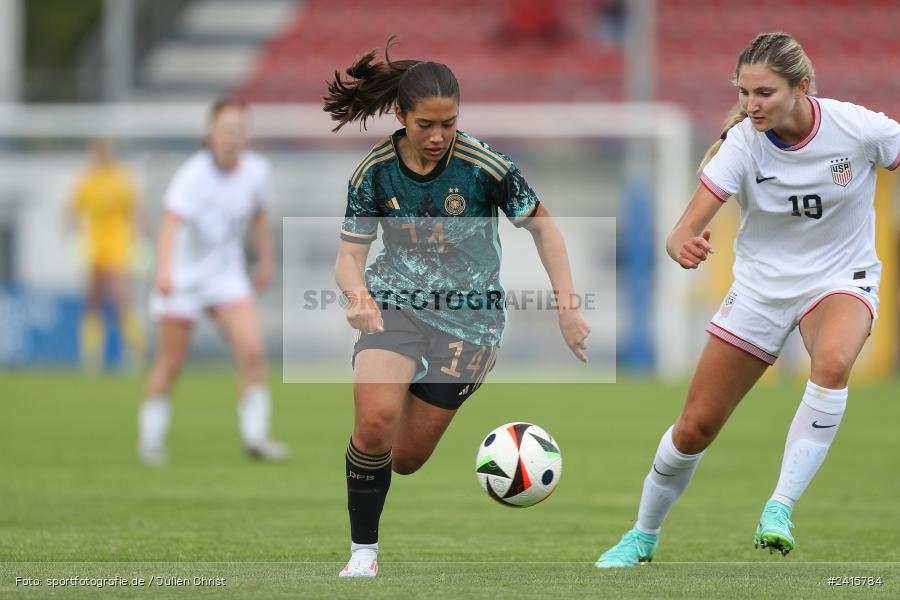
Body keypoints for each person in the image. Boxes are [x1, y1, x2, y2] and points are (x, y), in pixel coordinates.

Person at [595, 32, 900, 567]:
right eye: (744, 93)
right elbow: (680, 230)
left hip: (840, 279)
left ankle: (779, 508)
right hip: (761, 290)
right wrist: (682, 245)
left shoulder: (858, 127)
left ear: (802, 87)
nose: (752, 105)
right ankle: (642, 535)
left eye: (765, 93)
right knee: (694, 428)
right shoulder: (743, 145)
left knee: (831, 363)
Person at [324, 38, 592, 578]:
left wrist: (567, 306)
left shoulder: (484, 166)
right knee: (374, 421)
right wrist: (359, 300)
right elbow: (349, 258)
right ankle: (363, 553)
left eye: (449, 123)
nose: (439, 136)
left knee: (405, 457)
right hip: (396, 304)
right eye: (426, 124)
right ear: (401, 116)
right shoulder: (374, 172)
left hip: (472, 323)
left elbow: (544, 228)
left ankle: (378, 481)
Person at [138, 98, 288, 465]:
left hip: (226, 276)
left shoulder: (257, 170)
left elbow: (259, 216)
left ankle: (256, 438)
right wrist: (164, 271)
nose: (231, 138)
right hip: (184, 279)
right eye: (225, 130)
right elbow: (171, 222)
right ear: (210, 133)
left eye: (238, 130)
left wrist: (266, 260)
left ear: (246, 135)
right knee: (171, 362)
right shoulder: (193, 175)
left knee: (252, 351)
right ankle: (151, 439)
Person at [68, 138, 144, 369]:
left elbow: (136, 212)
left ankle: (134, 352)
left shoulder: (122, 179)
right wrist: (74, 237)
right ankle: (92, 356)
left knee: (121, 298)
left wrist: (138, 240)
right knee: (92, 301)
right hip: (94, 247)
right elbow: (72, 210)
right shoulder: (86, 180)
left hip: (118, 246)